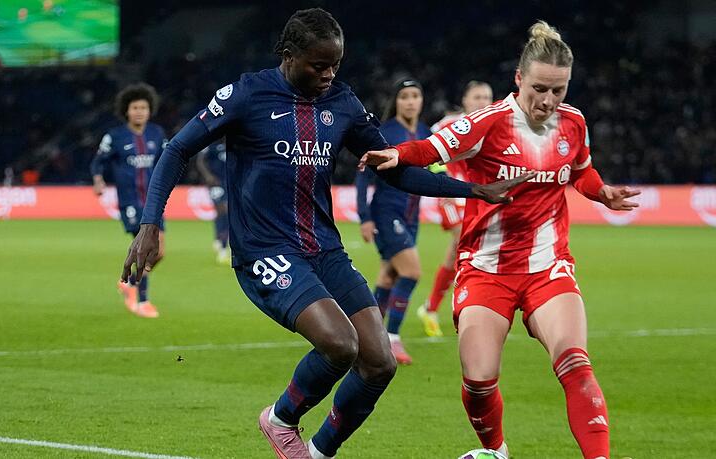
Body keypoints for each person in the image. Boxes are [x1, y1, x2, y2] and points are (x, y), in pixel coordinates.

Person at [120, 9, 533, 459]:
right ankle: (281, 419)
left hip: (324, 248)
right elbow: (177, 149)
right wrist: (150, 222)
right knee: (339, 344)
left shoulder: (342, 103)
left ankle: (318, 453)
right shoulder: (247, 94)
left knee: (379, 362)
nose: (328, 74)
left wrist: (473, 189)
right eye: (318, 65)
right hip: (265, 249)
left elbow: (393, 169)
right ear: (288, 55)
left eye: (335, 65)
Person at [358, 21, 641, 459]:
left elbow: (581, 171)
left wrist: (600, 191)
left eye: (559, 90)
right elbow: (431, 149)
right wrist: (397, 153)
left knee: (575, 362)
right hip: (486, 269)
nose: (548, 100)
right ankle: (496, 451)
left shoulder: (574, 122)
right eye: (539, 89)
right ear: (519, 79)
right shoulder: (488, 122)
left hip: (548, 266)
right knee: (478, 380)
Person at [355, 77, 430, 365]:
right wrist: (364, 217)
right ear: (396, 101)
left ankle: (366, 337)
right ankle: (392, 337)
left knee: (389, 276)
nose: (410, 102)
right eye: (404, 96)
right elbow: (363, 175)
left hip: (411, 216)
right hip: (387, 212)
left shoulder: (424, 132)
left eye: (415, 96)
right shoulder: (385, 132)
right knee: (411, 272)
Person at [417, 80, 494, 337]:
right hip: (451, 192)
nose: (483, 102)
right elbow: (429, 148)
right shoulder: (449, 125)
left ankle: (431, 308)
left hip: (479, 193)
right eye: (477, 97)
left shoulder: (495, 125)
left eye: (487, 97)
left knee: (457, 254)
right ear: (465, 100)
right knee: (463, 240)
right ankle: (465, 307)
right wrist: (441, 177)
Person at [92, 82, 167, 318]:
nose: (139, 112)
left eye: (143, 108)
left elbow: (167, 161)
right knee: (146, 247)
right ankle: (142, 301)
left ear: (150, 110)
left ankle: (130, 283)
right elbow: (98, 162)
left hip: (154, 202)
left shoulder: (157, 134)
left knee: (160, 252)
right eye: (135, 108)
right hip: (131, 202)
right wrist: (98, 180)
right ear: (126, 110)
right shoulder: (115, 136)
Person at [196, 140, 230, 265]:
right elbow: (200, 161)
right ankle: (223, 248)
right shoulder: (212, 144)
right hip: (216, 183)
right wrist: (208, 176)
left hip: (230, 183)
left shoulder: (235, 143)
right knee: (223, 210)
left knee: (225, 213)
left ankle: (219, 238)